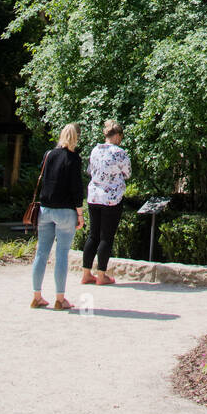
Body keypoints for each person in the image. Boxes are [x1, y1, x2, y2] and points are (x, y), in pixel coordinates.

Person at [30, 123, 84, 310]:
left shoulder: (49, 155)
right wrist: (80, 214)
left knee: (41, 253)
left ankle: (37, 296)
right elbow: (76, 188)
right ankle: (60, 299)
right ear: (76, 138)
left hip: (45, 209)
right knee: (61, 254)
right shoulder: (74, 158)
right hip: (65, 211)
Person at [82, 120, 131, 285]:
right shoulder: (120, 152)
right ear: (117, 136)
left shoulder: (95, 150)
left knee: (93, 235)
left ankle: (86, 273)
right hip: (111, 199)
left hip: (94, 196)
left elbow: (90, 171)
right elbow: (128, 173)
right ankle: (101, 275)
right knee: (106, 237)